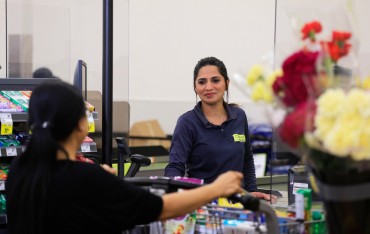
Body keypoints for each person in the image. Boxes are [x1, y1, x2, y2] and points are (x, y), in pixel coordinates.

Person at [5, 80, 243, 234]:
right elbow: (159, 208)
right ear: (80, 125)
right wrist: (217, 188)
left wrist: (101, 181)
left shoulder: (20, 170)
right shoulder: (85, 178)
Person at [164, 56, 274, 201]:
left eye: (215, 80)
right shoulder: (187, 122)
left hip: (238, 203)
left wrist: (251, 190)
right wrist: (174, 196)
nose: (208, 87)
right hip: (204, 205)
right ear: (195, 87)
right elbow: (175, 167)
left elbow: (247, 158)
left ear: (226, 84)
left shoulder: (239, 116)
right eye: (202, 82)